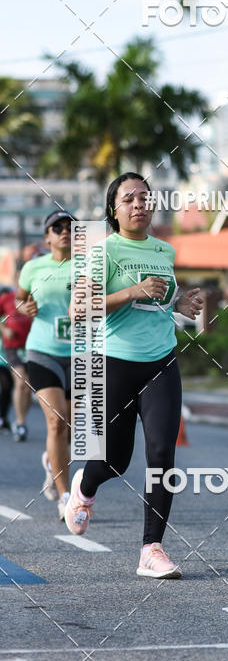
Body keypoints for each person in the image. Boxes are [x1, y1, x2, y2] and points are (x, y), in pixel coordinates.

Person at [65, 172, 202, 579]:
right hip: (115, 362)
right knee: (115, 460)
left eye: (145, 197)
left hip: (162, 362)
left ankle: (151, 548)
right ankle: (85, 487)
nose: (139, 204)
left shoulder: (165, 249)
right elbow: (78, 311)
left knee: (162, 454)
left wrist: (180, 304)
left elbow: (159, 299)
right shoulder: (102, 251)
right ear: (114, 209)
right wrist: (131, 291)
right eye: (129, 199)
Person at [16, 211, 76, 517]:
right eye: (57, 227)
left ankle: (52, 463)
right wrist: (24, 307)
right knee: (56, 422)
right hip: (43, 351)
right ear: (47, 237)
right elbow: (20, 299)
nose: (65, 231)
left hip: (81, 353)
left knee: (73, 429)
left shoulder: (91, 266)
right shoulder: (33, 267)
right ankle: (66, 496)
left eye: (70, 227)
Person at [0, 284, 33, 441]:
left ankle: (22, 419)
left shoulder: (35, 296)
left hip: (32, 347)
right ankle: (20, 423)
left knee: (28, 387)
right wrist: (4, 329)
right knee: (20, 382)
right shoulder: (7, 298)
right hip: (12, 347)